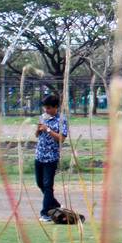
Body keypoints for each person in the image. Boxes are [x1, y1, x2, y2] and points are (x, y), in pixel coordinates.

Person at [33, 93, 68, 222]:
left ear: (55, 107)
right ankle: (56, 205)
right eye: (45, 108)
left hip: (51, 157)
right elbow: (37, 135)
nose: (46, 111)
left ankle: (46, 213)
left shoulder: (62, 120)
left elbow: (61, 139)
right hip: (39, 155)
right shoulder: (43, 117)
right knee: (40, 183)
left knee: (48, 185)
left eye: (48, 108)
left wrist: (48, 129)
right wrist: (38, 130)